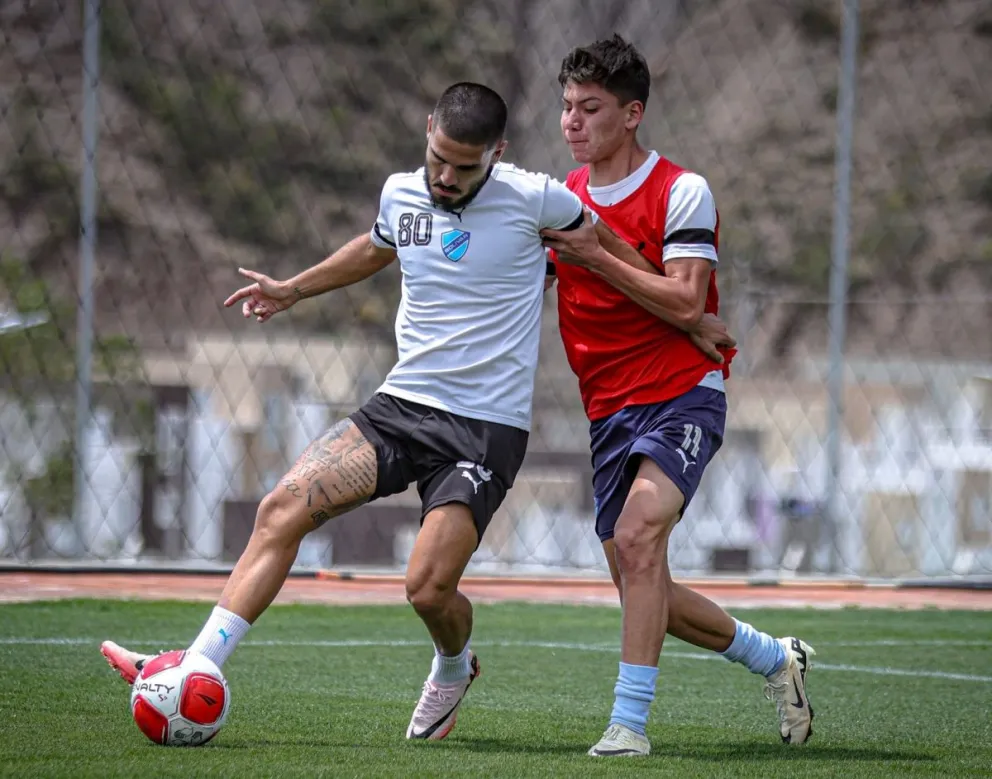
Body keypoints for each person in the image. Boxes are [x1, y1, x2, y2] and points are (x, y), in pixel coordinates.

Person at [100, 81, 594, 743]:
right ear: (426, 132)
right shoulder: (401, 192)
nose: (446, 177)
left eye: (465, 167)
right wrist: (292, 290)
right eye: (437, 159)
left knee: (426, 589)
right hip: (400, 407)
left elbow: (605, 250)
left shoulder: (536, 199)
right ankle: (198, 666)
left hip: (483, 429)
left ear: (497, 154)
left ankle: (453, 664)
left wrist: (682, 309)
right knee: (282, 508)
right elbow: (376, 246)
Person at [539, 35, 816, 757]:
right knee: (643, 584)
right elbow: (521, 284)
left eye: (590, 107)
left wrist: (597, 252)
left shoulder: (681, 190)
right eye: (566, 106)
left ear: (632, 114)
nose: (572, 121)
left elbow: (687, 298)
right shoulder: (558, 201)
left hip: (682, 394)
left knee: (635, 541)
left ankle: (627, 726)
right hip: (606, 410)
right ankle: (774, 658)